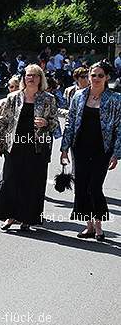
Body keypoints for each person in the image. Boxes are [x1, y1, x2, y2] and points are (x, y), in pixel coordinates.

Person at [0, 64, 58, 231]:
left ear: (40, 79)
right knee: (11, 181)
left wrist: (46, 123)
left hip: (37, 147)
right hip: (15, 146)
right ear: (24, 78)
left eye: (35, 75)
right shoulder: (14, 98)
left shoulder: (48, 98)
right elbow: (3, 122)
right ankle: (11, 216)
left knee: (32, 183)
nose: (31, 78)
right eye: (28, 75)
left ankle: (28, 218)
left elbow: (55, 123)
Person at [61, 62, 121, 241]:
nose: (95, 79)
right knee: (81, 187)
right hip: (79, 147)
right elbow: (70, 122)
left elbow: (120, 127)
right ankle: (88, 226)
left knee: (94, 187)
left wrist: (116, 153)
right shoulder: (78, 96)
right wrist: (64, 148)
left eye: (100, 75)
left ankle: (99, 226)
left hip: (102, 149)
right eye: (93, 75)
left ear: (107, 77)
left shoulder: (115, 99)